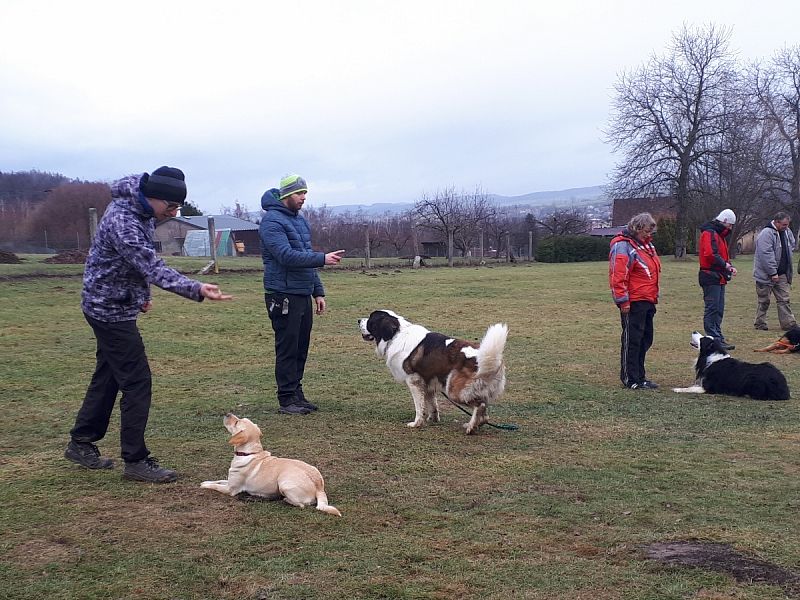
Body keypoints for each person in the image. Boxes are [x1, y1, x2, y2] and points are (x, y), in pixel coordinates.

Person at [64, 167, 233, 483]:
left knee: (110, 375)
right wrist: (196, 288)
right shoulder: (124, 221)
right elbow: (149, 264)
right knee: (137, 380)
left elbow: (131, 266)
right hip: (107, 309)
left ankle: (81, 441)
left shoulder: (138, 210)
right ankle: (136, 460)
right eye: (171, 207)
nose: (174, 213)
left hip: (115, 302)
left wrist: (139, 295)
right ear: (153, 197)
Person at [259, 174, 344, 415]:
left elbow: (305, 257)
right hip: (282, 294)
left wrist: (318, 292)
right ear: (286, 195)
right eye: (299, 193)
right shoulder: (272, 223)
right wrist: (323, 258)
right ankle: (286, 399)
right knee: (287, 347)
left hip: (302, 293)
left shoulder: (300, 221)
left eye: (305, 193)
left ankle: (297, 393)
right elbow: (285, 256)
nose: (304, 198)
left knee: (300, 346)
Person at [609, 213, 662, 390]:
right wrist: (623, 301)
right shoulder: (622, 246)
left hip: (648, 299)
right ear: (637, 228)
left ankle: (640, 375)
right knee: (632, 340)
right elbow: (618, 275)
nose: (649, 235)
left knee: (646, 338)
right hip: (633, 302)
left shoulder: (646, 245)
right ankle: (630, 378)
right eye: (647, 231)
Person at [698, 209, 738, 350]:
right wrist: (726, 266)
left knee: (718, 309)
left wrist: (728, 266)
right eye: (730, 225)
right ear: (725, 221)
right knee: (712, 308)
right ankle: (713, 338)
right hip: (711, 276)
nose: (731, 228)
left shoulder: (718, 235)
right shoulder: (710, 233)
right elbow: (710, 254)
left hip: (718, 276)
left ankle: (718, 337)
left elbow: (719, 255)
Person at [753, 211, 797, 331]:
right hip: (766, 274)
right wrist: (773, 272)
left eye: (787, 225)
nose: (786, 227)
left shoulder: (787, 232)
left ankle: (789, 324)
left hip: (782, 273)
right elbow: (766, 255)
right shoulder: (766, 234)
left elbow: (791, 246)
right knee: (764, 300)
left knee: (784, 299)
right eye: (784, 225)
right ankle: (760, 323)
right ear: (776, 222)